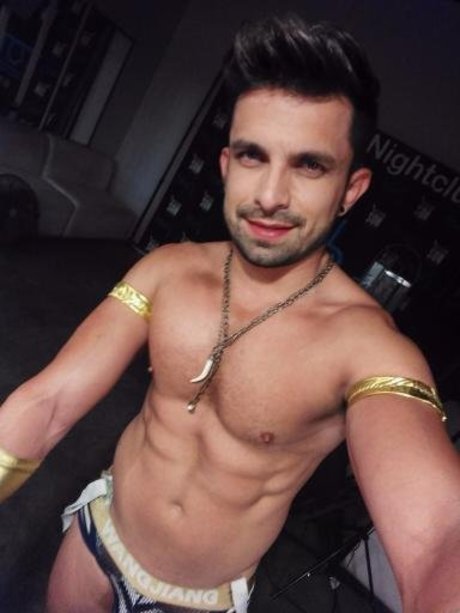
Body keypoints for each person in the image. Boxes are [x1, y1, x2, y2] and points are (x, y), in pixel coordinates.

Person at [0, 13, 459, 613]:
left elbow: (438, 538)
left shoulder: (369, 347)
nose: (270, 195)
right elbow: (49, 401)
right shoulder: (166, 270)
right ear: (225, 165)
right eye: (252, 156)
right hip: (97, 537)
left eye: (309, 165)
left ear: (351, 188)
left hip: (198, 597)